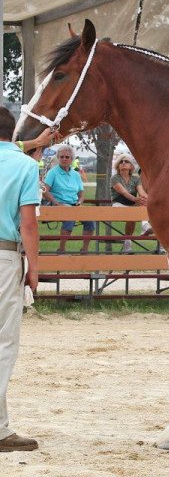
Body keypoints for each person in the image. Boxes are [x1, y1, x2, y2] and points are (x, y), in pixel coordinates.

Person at [0, 106, 40, 452]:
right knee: (3, 343)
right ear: (12, 134)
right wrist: (35, 269)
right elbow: (28, 224)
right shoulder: (25, 166)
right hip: (4, 256)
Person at [43, 144, 94, 253]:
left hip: (74, 204)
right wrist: (56, 203)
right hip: (57, 204)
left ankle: (84, 249)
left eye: (67, 157)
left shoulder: (76, 174)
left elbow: (81, 194)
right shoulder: (53, 172)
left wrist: (80, 202)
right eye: (61, 157)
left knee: (90, 220)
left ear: (72, 159)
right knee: (69, 216)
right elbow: (44, 191)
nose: (64, 159)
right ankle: (61, 248)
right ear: (58, 158)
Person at [110, 153, 148, 253]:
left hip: (131, 205)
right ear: (117, 165)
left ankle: (144, 226)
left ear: (131, 166)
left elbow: (142, 192)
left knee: (141, 205)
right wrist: (137, 200)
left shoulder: (136, 178)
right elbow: (124, 193)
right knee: (132, 213)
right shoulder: (114, 178)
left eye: (126, 161)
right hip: (118, 204)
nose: (123, 163)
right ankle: (128, 244)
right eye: (121, 162)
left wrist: (146, 199)